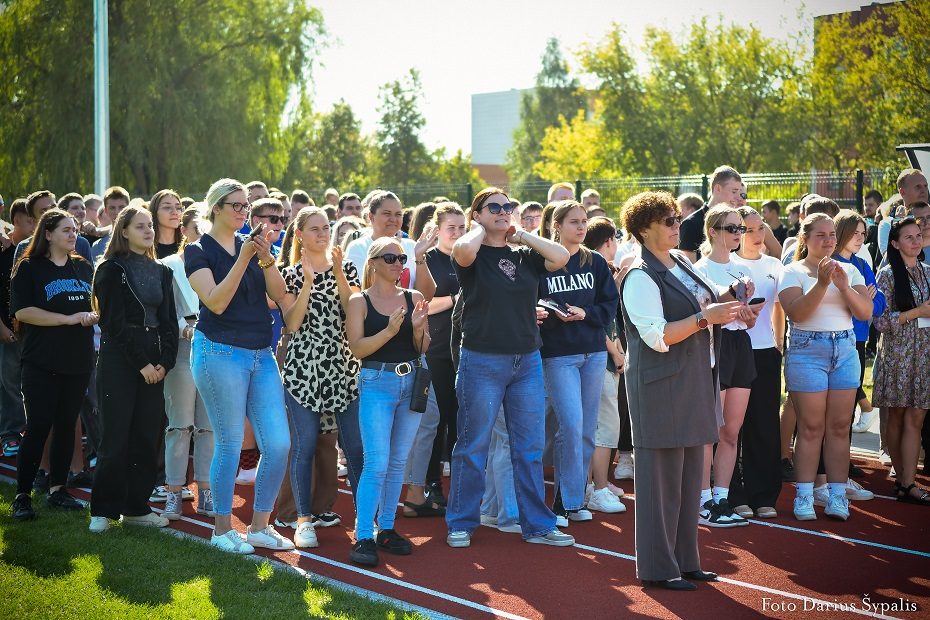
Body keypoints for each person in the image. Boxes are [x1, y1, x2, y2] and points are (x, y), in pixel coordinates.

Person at [620, 191, 740, 590]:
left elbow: (704, 305)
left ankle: (686, 560)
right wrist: (707, 318)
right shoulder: (639, 275)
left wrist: (732, 301)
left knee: (690, 479)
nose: (676, 224)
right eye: (668, 220)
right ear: (643, 229)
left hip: (693, 380)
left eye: (675, 218)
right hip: (661, 385)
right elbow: (657, 337)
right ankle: (658, 568)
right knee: (661, 484)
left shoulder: (682, 263)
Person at [445, 187, 575, 549]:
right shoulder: (471, 251)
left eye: (509, 206)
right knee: (473, 446)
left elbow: (561, 256)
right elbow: (463, 250)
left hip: (526, 361)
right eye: (495, 207)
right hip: (481, 360)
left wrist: (520, 233)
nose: (504, 211)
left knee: (529, 448)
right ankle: (461, 522)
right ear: (479, 215)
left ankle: (537, 525)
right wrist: (482, 228)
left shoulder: (524, 254)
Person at [186, 178, 293, 554]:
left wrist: (265, 259)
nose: (243, 212)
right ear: (215, 208)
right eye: (236, 205)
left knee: (279, 444)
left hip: (260, 353)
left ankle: (260, 527)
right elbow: (215, 301)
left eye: (246, 206)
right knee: (230, 442)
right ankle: (220, 530)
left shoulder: (254, 246)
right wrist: (245, 257)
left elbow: (280, 296)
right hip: (219, 351)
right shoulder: (197, 250)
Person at [89, 205, 179, 532]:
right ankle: (103, 510)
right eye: (139, 226)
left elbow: (168, 322)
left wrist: (164, 363)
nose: (148, 231)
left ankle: (137, 507)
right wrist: (142, 364)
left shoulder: (162, 272)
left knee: (145, 436)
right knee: (115, 438)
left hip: (155, 361)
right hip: (120, 361)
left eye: (149, 226)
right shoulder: (110, 269)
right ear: (123, 231)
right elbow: (113, 324)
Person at [778, 212, 872, 522]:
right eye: (822, 235)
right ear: (805, 238)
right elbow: (798, 314)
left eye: (832, 234)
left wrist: (844, 287)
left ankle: (836, 495)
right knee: (811, 428)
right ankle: (804, 495)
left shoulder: (850, 269)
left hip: (844, 349)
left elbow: (864, 313)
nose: (829, 240)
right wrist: (821, 283)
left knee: (839, 427)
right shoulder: (792, 271)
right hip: (807, 350)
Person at [345, 237, 431, 566]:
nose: (398, 263)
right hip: (376, 382)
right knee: (377, 463)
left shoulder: (414, 297)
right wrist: (389, 331)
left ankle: (387, 528)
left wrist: (418, 329)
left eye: (401, 258)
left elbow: (422, 347)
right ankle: (363, 534)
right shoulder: (359, 301)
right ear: (374, 262)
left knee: (397, 463)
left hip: (411, 381)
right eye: (391, 257)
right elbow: (358, 349)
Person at [280, 207, 362, 548]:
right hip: (303, 368)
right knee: (305, 446)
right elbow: (293, 323)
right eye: (314, 229)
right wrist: (308, 282)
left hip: (342, 365)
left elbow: (352, 309)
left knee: (355, 448)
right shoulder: (290, 273)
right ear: (300, 234)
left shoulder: (348, 268)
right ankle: (303, 520)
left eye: (325, 227)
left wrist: (340, 274)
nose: (322, 233)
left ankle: (365, 518)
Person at [9, 209, 97, 520]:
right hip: (41, 361)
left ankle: (59, 489)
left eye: (74, 230)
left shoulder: (82, 268)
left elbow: (95, 304)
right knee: (38, 427)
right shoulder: (30, 268)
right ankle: (22, 495)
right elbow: (22, 313)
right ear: (48, 234)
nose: (73, 234)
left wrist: (93, 315)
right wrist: (67, 319)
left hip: (78, 361)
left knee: (66, 426)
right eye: (65, 230)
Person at [539, 201, 619, 523]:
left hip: (593, 354)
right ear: (556, 225)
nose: (582, 227)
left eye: (584, 221)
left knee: (586, 429)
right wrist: (550, 312)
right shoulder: (541, 262)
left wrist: (586, 314)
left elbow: (609, 305)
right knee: (569, 426)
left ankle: (574, 498)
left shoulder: (596, 261)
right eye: (574, 221)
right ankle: (561, 501)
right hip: (558, 355)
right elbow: (533, 302)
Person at [693, 206, 761, 527]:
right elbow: (702, 315)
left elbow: (748, 319)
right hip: (712, 347)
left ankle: (721, 497)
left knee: (731, 432)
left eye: (741, 229)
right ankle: (702, 500)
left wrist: (749, 317)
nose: (738, 233)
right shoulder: (698, 269)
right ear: (713, 231)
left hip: (739, 347)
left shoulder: (742, 269)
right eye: (732, 228)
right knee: (708, 431)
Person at [729, 206, 785, 519]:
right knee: (733, 427)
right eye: (747, 230)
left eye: (759, 228)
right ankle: (735, 494)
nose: (755, 235)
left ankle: (763, 494)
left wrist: (778, 340)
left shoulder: (774, 265)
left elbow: (779, 306)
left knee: (764, 424)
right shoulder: (729, 264)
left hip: (765, 351)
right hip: (735, 351)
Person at [871, 217, 930, 505]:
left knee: (917, 416)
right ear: (895, 243)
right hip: (898, 354)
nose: (916, 241)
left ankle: (908, 481)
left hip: (924, 354)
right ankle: (904, 482)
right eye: (909, 237)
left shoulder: (928, 272)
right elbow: (879, 321)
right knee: (897, 414)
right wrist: (916, 312)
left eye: (918, 235)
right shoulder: (887, 276)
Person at [161, 206, 214, 520]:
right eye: (197, 230)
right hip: (182, 350)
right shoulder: (167, 266)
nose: (202, 237)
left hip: (211, 349)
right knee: (179, 424)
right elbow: (163, 311)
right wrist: (184, 327)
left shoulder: (218, 264)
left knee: (208, 427)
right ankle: (173, 492)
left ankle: (205, 490)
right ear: (184, 231)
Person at [581, 216, 631, 512]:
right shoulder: (597, 270)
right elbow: (602, 321)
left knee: (598, 426)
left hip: (600, 359)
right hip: (601, 360)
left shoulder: (597, 269)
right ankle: (596, 488)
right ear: (608, 241)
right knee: (605, 427)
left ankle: (593, 485)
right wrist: (616, 352)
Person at [832, 211, 883, 445]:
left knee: (849, 404)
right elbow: (842, 304)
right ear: (841, 231)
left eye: (864, 233)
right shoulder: (829, 262)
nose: (861, 238)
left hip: (859, 340)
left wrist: (865, 302)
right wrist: (860, 298)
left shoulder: (862, 264)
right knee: (831, 407)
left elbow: (879, 304)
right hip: (834, 338)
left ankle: (845, 461)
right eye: (855, 233)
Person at [344, 190, 437, 300]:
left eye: (398, 214)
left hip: (409, 316)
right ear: (371, 216)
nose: (393, 219)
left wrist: (419, 257)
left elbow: (426, 296)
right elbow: (360, 292)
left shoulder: (412, 246)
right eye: (387, 214)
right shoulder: (358, 247)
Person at [0, 199, 32, 459]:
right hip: (7, 327)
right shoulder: (4, 247)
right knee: (9, 382)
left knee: (25, 382)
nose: (35, 225)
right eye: (30, 220)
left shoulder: (34, 250)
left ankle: (24, 431)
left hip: (30, 328)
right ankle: (10, 433)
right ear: (17, 220)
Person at [678, 166, 743, 263]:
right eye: (734, 191)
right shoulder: (691, 224)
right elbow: (690, 270)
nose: (739, 198)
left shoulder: (737, 220)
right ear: (718, 189)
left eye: (740, 192)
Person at [90, 186, 130, 263]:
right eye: (112, 208)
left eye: (121, 207)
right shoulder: (98, 246)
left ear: (129, 207)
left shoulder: (140, 237)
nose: (117, 212)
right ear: (106, 211)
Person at [149, 189, 184, 259]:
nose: (175, 212)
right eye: (167, 207)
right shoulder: (146, 248)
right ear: (154, 212)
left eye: (178, 208)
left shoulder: (188, 246)